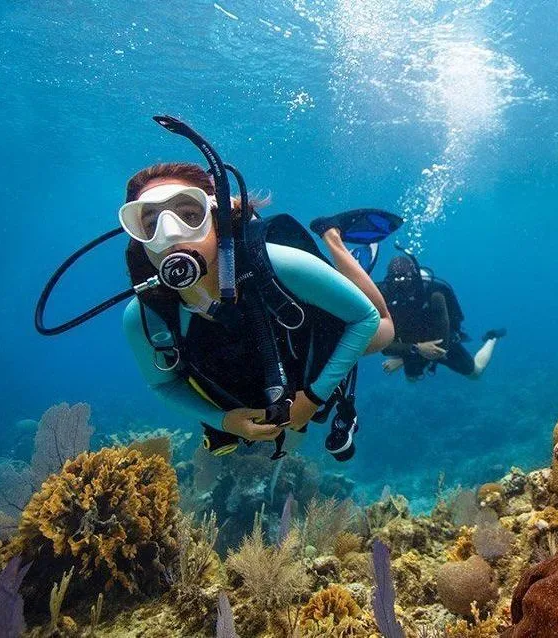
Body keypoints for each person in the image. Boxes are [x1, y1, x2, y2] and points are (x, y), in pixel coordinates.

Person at [121, 162, 400, 461]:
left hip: (311, 339)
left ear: (218, 219)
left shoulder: (280, 263)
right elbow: (163, 384)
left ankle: (333, 238)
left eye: (190, 215)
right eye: (151, 225)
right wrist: (224, 421)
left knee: (384, 330)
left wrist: (315, 396)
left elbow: (365, 318)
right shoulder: (145, 317)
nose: (170, 235)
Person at [377, 253, 505, 381]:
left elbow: (441, 346)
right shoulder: (383, 295)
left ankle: (492, 337)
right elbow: (381, 343)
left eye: (405, 283)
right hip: (413, 345)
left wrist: (405, 357)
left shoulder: (434, 294)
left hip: (440, 339)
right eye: (395, 284)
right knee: (411, 379)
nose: (401, 290)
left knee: (476, 373)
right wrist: (413, 350)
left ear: (415, 279)